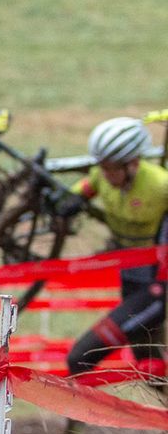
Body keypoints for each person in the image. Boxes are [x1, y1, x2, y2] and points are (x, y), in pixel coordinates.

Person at [52, 116, 168, 381]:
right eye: (102, 167)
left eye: (112, 168)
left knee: (80, 357)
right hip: (130, 283)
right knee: (153, 373)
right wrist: (68, 202)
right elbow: (81, 190)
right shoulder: (100, 177)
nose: (105, 174)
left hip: (157, 290)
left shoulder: (161, 186)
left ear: (133, 163)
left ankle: (75, 423)